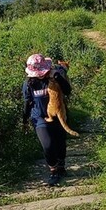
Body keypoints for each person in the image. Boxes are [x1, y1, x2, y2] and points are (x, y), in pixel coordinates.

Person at [22, 53, 72, 186]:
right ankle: (53, 171)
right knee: (48, 145)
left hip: (59, 114)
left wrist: (58, 78)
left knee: (60, 144)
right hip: (39, 118)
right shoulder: (29, 84)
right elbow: (27, 103)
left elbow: (67, 91)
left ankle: (61, 167)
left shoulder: (54, 77)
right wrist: (24, 120)